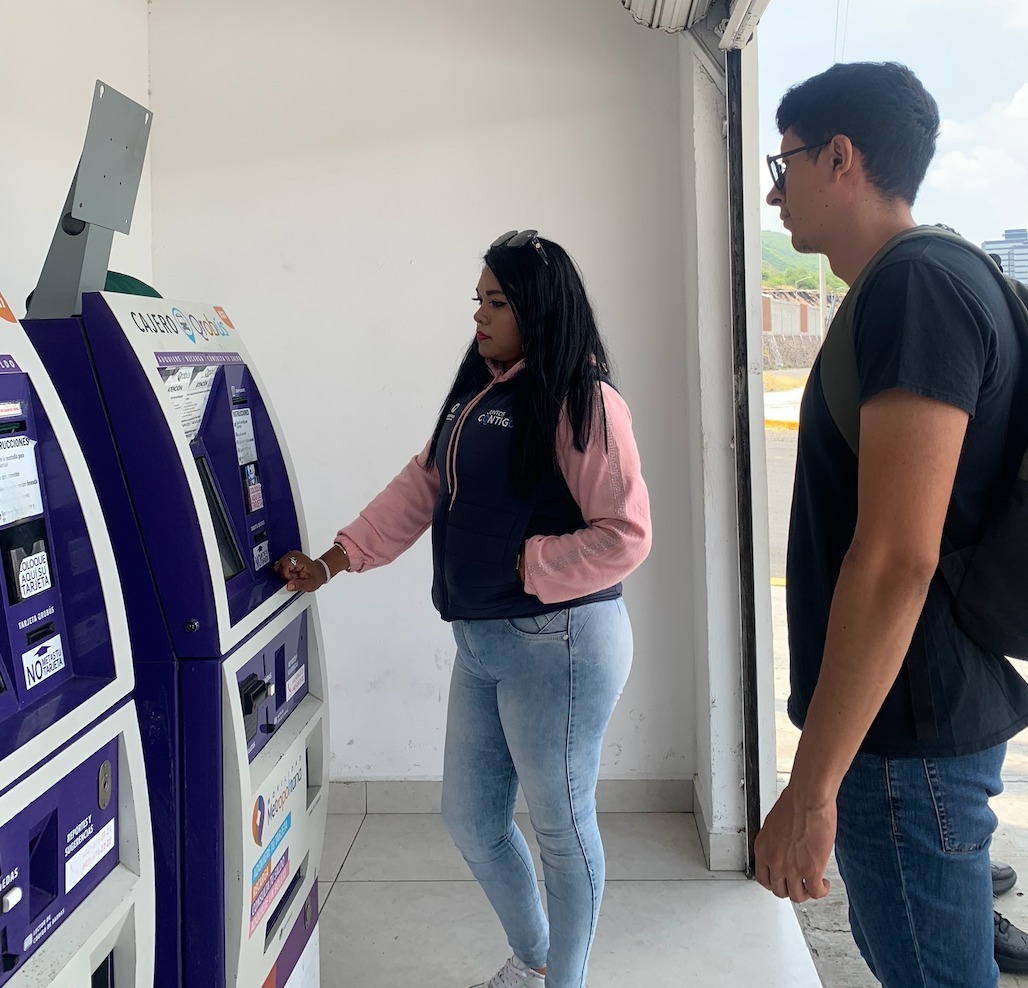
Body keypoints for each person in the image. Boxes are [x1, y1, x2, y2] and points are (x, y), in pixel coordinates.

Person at [275, 230, 651, 988]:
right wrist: (334, 560)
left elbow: (625, 533)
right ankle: (535, 958)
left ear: (537, 308)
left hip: (560, 641)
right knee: (472, 819)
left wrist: (530, 562)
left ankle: (563, 980)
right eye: (477, 300)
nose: (479, 315)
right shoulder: (480, 395)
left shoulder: (582, 399)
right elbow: (421, 486)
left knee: (561, 823)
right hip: (482, 640)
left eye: (497, 301)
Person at [755, 61, 1028, 987]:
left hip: (907, 734)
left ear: (840, 158)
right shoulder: (916, 281)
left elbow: (896, 556)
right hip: (911, 721)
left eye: (784, 163)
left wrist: (811, 788)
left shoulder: (917, 288)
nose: (774, 190)